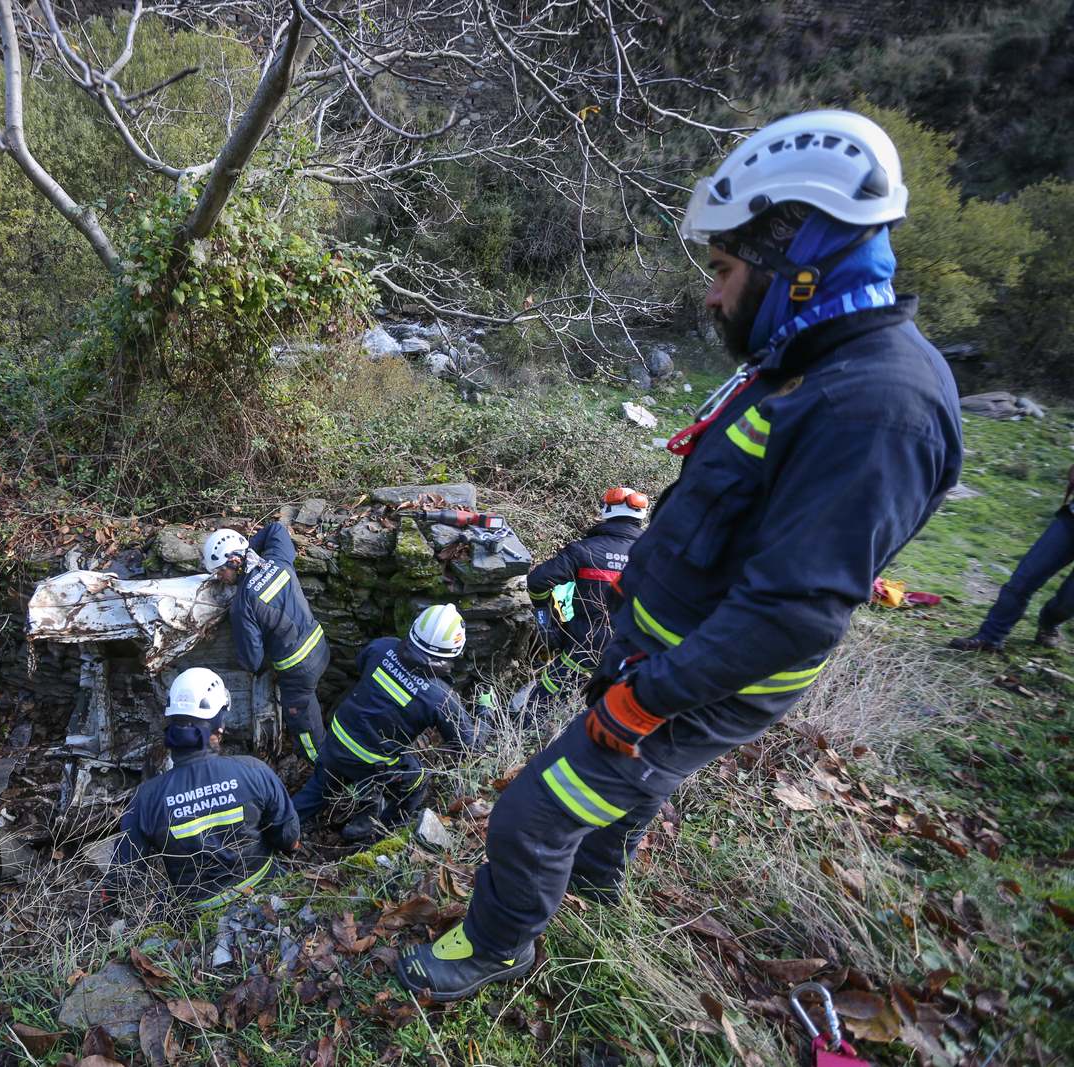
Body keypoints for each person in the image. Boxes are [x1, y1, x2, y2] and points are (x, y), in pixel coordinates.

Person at [397, 109, 962, 1002]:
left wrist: (641, 699)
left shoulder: (877, 407)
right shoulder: (812, 363)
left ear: (798, 261)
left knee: (530, 813)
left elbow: (792, 610)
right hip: (666, 651)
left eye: (727, 270)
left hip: (692, 678)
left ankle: (494, 948)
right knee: (620, 793)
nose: (711, 294)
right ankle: (596, 882)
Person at [292, 604, 486, 842]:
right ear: (454, 650)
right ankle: (380, 834)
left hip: (336, 739)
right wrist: (486, 709)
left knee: (316, 791)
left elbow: (362, 666)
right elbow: (470, 744)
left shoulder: (382, 647)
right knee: (416, 780)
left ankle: (272, 830)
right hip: (371, 761)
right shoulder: (439, 696)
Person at [111, 668, 301, 908]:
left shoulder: (146, 798)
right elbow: (289, 839)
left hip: (196, 916)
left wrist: (109, 899)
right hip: (268, 893)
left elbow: (121, 879)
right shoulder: (254, 771)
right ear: (219, 727)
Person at [204, 521, 331, 763]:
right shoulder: (277, 560)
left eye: (221, 571)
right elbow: (276, 529)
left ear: (234, 561)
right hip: (321, 649)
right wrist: (247, 548)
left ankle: (326, 775)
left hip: (298, 675)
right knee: (313, 705)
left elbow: (252, 660)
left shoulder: (243, 605)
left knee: (308, 736)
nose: (220, 578)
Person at [514, 488, 647, 718]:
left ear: (605, 511)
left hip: (584, 647)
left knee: (536, 711)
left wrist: (547, 622)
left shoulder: (584, 550)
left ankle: (517, 743)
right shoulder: (657, 554)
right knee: (610, 716)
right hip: (633, 652)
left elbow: (536, 582)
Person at [946, 465, 1074, 651]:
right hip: (1070, 522)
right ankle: (990, 637)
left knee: (1069, 602)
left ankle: (1049, 623)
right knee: (1023, 579)